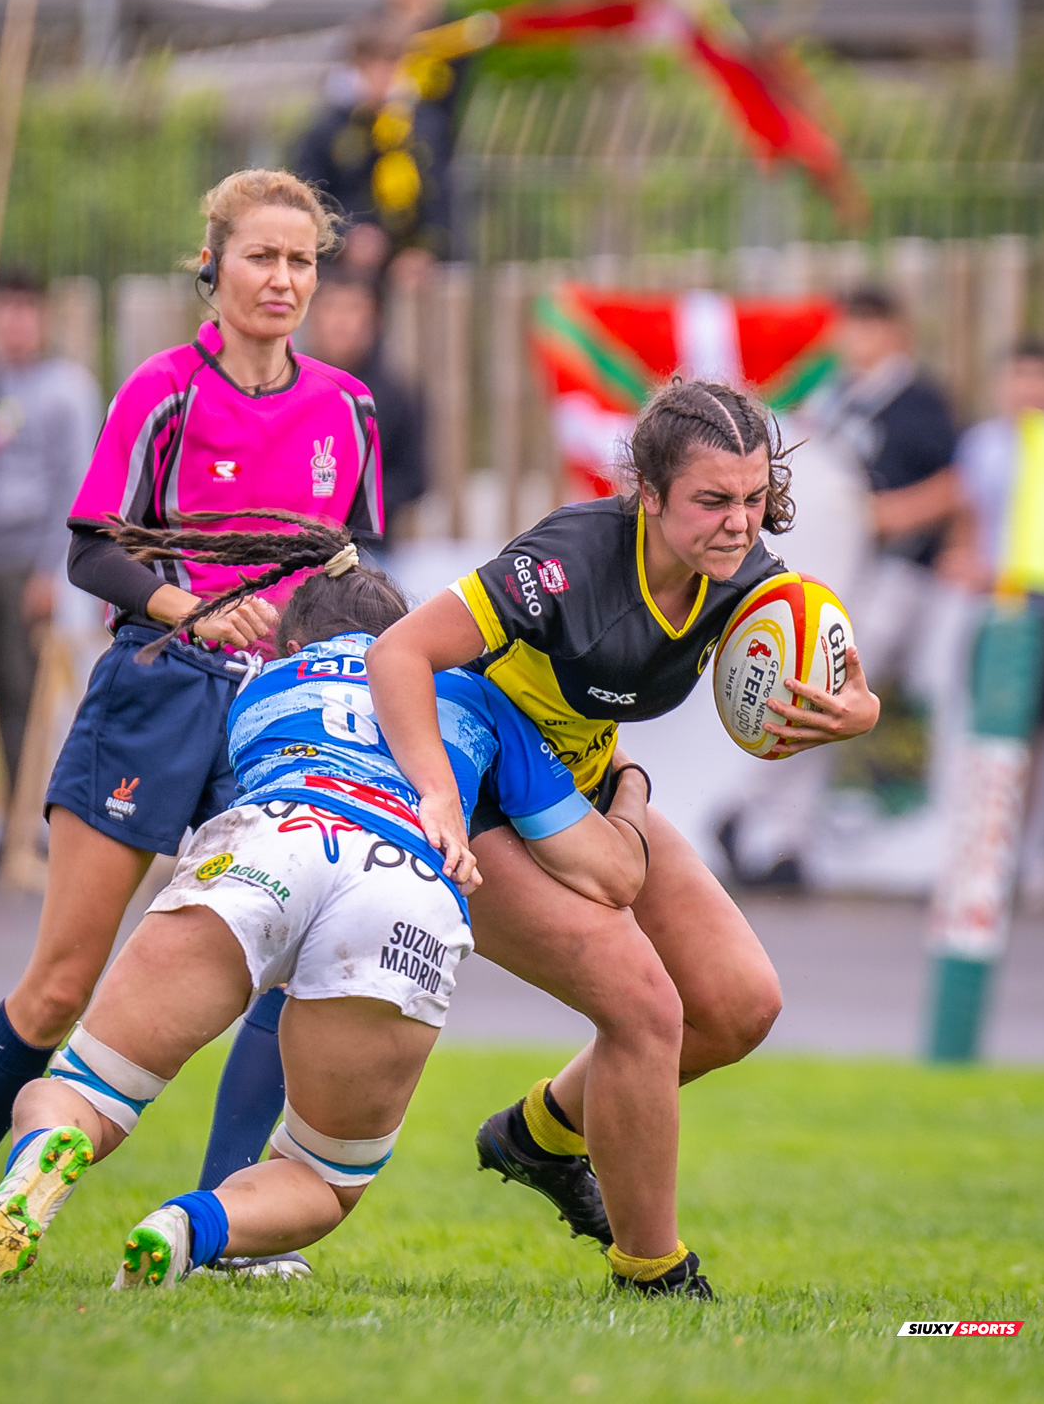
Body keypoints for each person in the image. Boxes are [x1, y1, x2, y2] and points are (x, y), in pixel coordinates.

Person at [0, 169, 383, 1273]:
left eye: (302, 260)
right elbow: (90, 549)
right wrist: (195, 611)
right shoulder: (163, 392)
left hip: (278, 717)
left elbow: (352, 567)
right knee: (65, 981)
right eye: (261, 256)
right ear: (211, 267)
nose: (283, 279)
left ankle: (222, 1226)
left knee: (289, 960)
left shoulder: (347, 410)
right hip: (156, 690)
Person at [0, 554, 664, 1294]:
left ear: (290, 647)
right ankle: (188, 1226)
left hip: (267, 841)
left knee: (89, 1086)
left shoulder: (260, 684)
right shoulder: (476, 698)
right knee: (322, 1174)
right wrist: (630, 785)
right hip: (406, 892)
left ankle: (46, 1148)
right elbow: (612, 874)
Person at [363, 379, 880, 1267]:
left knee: (738, 1006)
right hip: (476, 791)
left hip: (584, 782)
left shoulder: (753, 584)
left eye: (755, 499)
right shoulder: (571, 561)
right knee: (645, 1008)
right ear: (649, 492)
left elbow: (850, 682)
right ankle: (653, 1270)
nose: (739, 523)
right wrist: (437, 799)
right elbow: (397, 650)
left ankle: (541, 1134)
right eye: (713, 500)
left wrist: (856, 712)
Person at [717, 286, 961, 887]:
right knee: (810, 691)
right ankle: (775, 833)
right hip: (841, 570)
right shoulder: (839, 398)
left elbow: (957, 480)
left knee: (827, 691)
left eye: (867, 325)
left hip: (899, 573)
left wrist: (891, 515)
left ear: (894, 330)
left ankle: (759, 814)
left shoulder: (918, 401)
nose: (855, 339)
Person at [0, 266, 100, 803]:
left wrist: (49, 569)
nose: (14, 320)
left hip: (31, 565)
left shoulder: (67, 389)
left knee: (28, 692)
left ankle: (34, 817)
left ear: (43, 317)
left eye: (26, 307)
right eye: (4, 307)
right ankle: (9, 820)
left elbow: (75, 482)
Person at [945, 340, 1044, 906]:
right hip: (1005, 610)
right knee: (1001, 736)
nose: (1030, 390)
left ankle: (1038, 857)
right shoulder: (985, 445)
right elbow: (970, 520)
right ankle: (988, 859)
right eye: (1020, 376)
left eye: (1041, 377)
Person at [293, 19, 449, 279]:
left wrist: (424, 250)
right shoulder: (328, 128)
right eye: (372, 65)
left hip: (408, 271)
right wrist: (345, 239)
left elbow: (441, 196)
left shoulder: (424, 125)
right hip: (343, 270)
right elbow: (308, 198)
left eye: (391, 64)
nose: (383, 76)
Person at [301, 272, 425, 544]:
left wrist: (344, 499)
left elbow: (414, 481)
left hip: (369, 550)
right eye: (331, 307)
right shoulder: (288, 390)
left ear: (375, 321)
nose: (341, 321)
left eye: (354, 309)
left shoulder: (396, 395)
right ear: (311, 317)